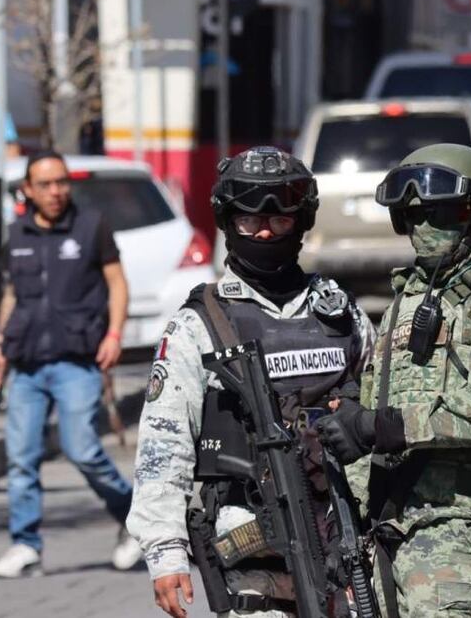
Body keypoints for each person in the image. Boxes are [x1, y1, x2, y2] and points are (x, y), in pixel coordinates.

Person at [126, 146, 375, 618]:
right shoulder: (200, 324)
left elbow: (382, 402)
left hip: (345, 543)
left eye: (280, 219)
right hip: (253, 554)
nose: (264, 230)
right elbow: (163, 446)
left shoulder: (339, 313)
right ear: (227, 223)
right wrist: (165, 553)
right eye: (249, 220)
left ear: (301, 222)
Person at [317, 144, 471, 617]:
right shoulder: (407, 298)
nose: (423, 227)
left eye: (439, 214)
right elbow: (375, 403)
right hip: (385, 532)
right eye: (412, 216)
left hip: (458, 540)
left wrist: (378, 427)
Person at [0, 150, 139, 577]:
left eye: (61, 182)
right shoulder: (20, 234)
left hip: (77, 361)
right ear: (28, 190)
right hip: (27, 364)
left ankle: (135, 522)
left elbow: (117, 282)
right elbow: (14, 296)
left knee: (83, 450)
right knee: (21, 457)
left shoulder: (91, 227)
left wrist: (115, 334)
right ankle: (25, 544)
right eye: (45, 184)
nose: (55, 191)